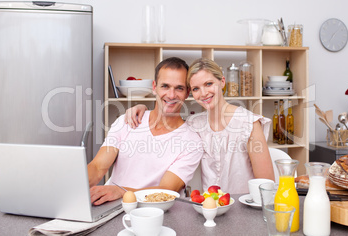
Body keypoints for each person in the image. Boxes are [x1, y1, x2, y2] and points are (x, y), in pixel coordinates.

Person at [125, 58, 274, 194]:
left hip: (242, 210)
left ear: (222, 82)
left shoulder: (248, 123)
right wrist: (142, 108)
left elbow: (266, 185)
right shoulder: (194, 124)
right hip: (207, 210)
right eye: (196, 88)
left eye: (208, 84)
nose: (203, 93)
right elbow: (166, 120)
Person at [88, 57, 203, 205]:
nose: (171, 95)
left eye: (179, 88)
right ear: (154, 87)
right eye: (165, 86)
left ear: (187, 93)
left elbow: (166, 191)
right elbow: (98, 167)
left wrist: (121, 191)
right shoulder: (127, 121)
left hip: (157, 211)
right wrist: (74, 186)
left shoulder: (191, 142)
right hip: (111, 206)